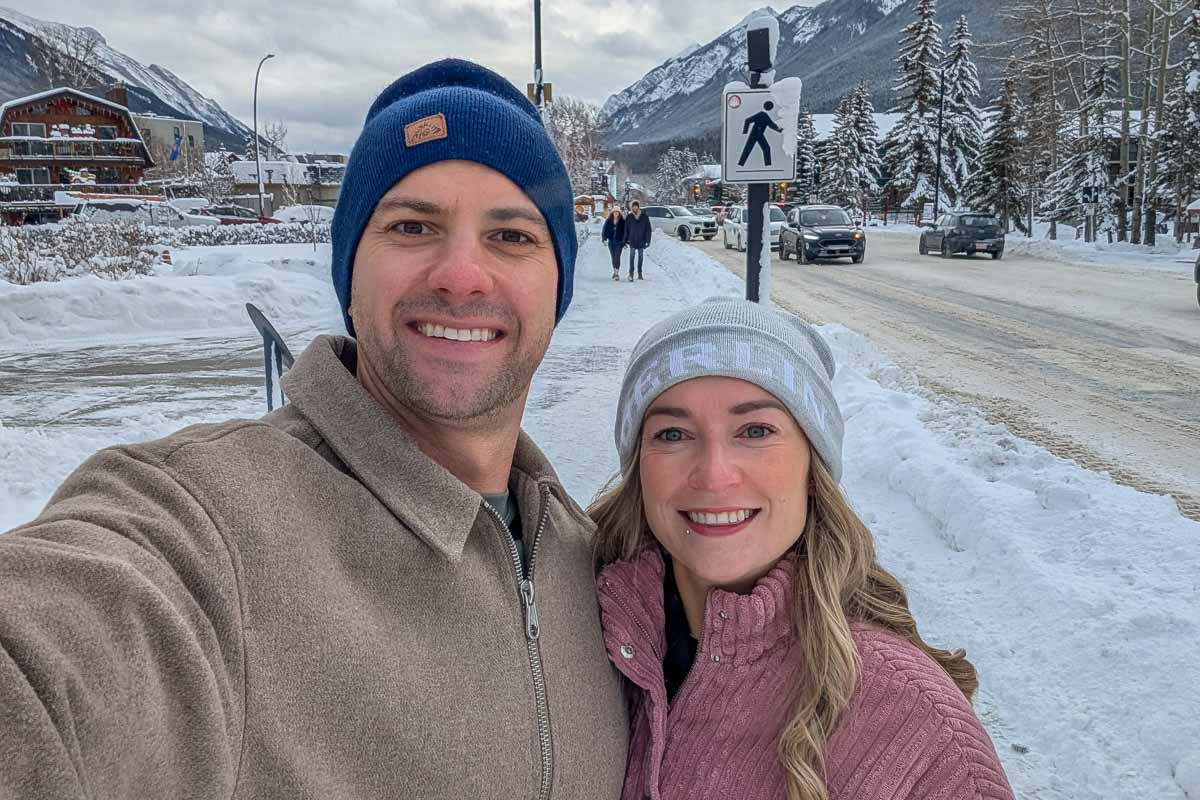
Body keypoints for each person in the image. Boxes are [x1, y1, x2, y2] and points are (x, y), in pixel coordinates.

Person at [0, 59, 628, 799]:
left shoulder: (595, 567)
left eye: (512, 236)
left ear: (558, 288)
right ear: (348, 278)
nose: (462, 274)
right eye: (413, 226)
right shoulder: (210, 529)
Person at [590, 298, 1015, 800]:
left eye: (755, 431)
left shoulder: (922, 733)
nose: (714, 474)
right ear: (639, 466)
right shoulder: (578, 629)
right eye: (673, 433)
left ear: (813, 465)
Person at [622, 200, 652, 282]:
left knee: (640, 257)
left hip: (642, 240)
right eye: (633, 206)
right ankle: (631, 273)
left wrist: (648, 240)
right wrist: (624, 240)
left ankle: (639, 272)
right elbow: (626, 229)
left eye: (636, 206)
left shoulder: (644, 216)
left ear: (638, 207)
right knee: (632, 256)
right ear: (632, 207)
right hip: (632, 239)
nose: (635, 208)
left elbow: (648, 229)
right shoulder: (629, 217)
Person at [601, 205, 626, 281]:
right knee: (613, 257)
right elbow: (604, 230)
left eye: (617, 212)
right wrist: (604, 239)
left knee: (617, 257)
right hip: (611, 242)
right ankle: (614, 271)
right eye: (614, 212)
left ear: (619, 213)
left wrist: (625, 242)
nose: (616, 214)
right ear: (612, 213)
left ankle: (617, 273)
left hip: (619, 242)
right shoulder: (608, 221)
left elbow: (625, 232)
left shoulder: (622, 221)